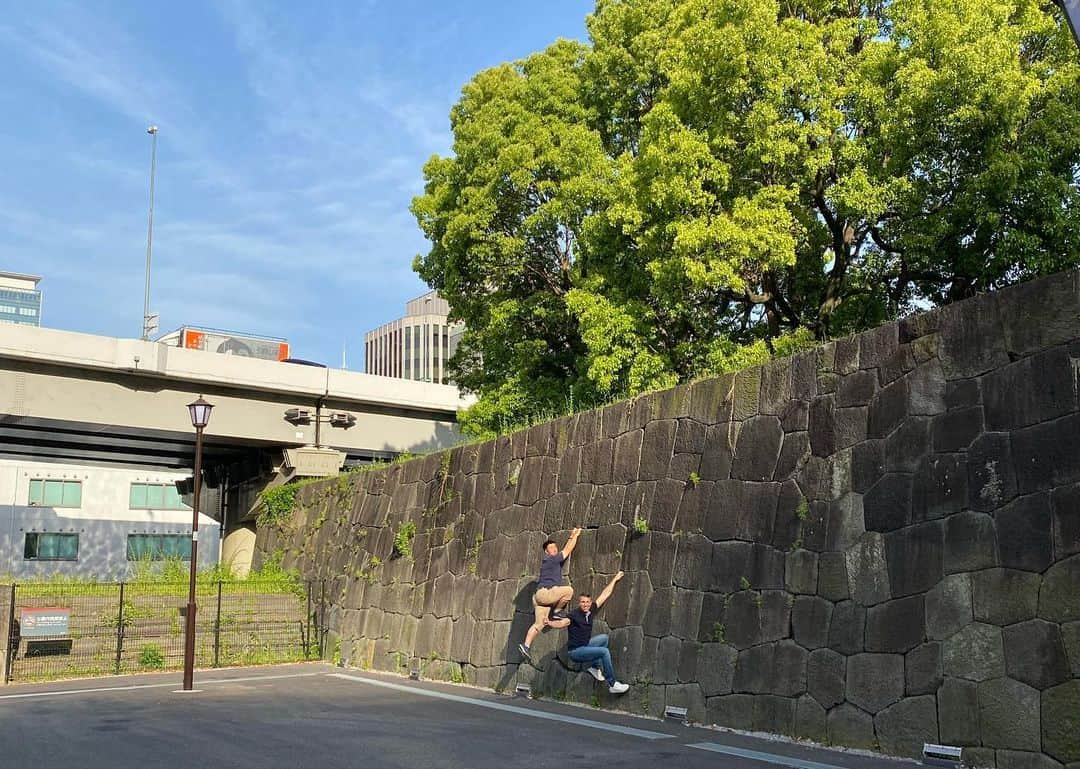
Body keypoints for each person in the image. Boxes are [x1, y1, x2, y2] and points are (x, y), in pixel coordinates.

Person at [545, 570, 630, 695]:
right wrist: (550, 623)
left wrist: (615, 579)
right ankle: (613, 684)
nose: (585, 604)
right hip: (575, 652)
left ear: (590, 603)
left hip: (585, 646)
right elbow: (563, 623)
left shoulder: (591, 610)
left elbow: (604, 594)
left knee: (604, 638)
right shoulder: (574, 615)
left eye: (587, 602)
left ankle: (595, 667)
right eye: (583, 602)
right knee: (604, 652)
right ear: (579, 603)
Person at [518, 527, 581, 661]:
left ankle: (526, 645)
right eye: (552, 548)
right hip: (545, 593)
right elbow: (567, 550)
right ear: (546, 552)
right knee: (569, 591)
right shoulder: (551, 559)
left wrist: (570, 537)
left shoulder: (550, 562)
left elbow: (563, 552)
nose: (555, 550)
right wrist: (575, 535)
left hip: (539, 598)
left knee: (539, 624)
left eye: (555, 548)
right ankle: (558, 611)